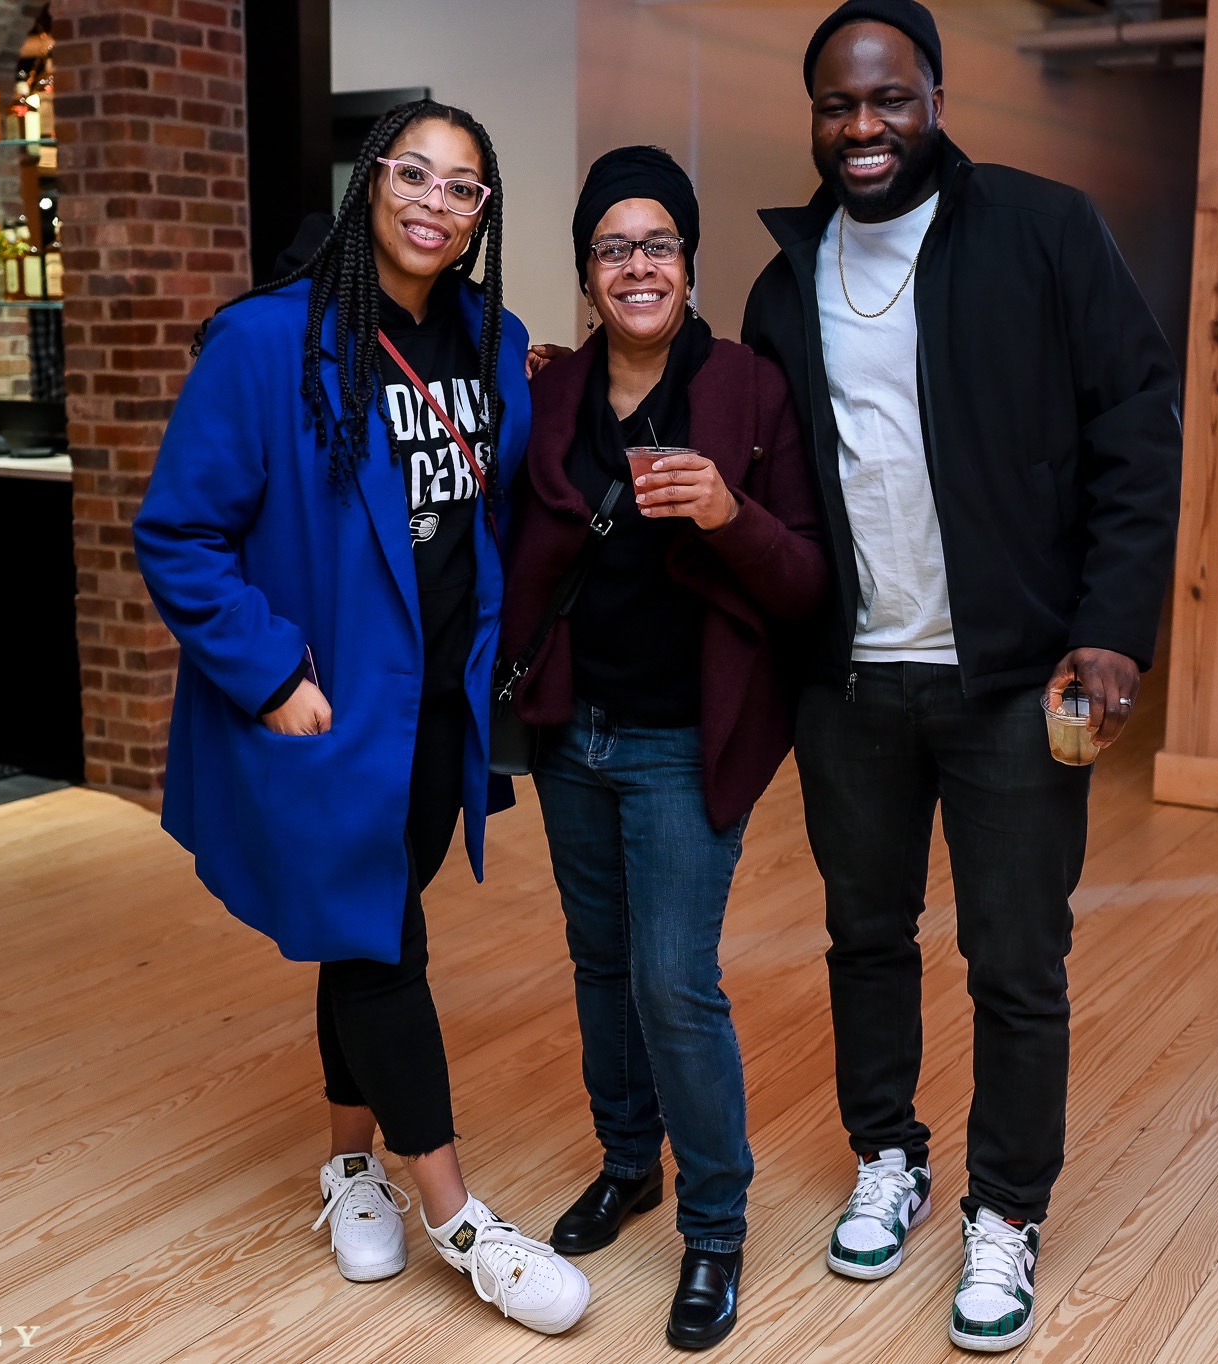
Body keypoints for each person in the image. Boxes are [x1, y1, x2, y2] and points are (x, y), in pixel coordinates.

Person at [740, 1, 1182, 1352]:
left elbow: (1135, 423)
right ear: (813, 116)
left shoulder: (1044, 230)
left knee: (1017, 958)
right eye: (837, 103)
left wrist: (1111, 626)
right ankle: (889, 1155)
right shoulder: (784, 281)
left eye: (889, 97)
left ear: (936, 97)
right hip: (852, 682)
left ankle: (1006, 1209)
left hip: (1015, 680)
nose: (862, 125)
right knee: (864, 936)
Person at [134, 99, 592, 1335]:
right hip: (332, 714)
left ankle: (347, 1164)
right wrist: (272, 674)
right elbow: (178, 533)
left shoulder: (495, 344)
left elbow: (504, 503)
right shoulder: (265, 342)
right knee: (386, 948)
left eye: (463, 187)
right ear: (371, 180)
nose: (435, 203)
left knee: (359, 934)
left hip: (438, 713)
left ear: (482, 214)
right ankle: (460, 1217)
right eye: (414, 174)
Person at [499, 146, 827, 1351]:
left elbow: (806, 580)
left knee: (672, 978)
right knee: (598, 960)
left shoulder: (748, 389)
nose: (636, 265)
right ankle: (627, 1160)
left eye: (657, 244)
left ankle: (716, 1224)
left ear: (689, 263)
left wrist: (729, 513)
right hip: (570, 729)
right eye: (612, 247)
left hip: (684, 738)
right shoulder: (550, 393)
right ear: (586, 272)